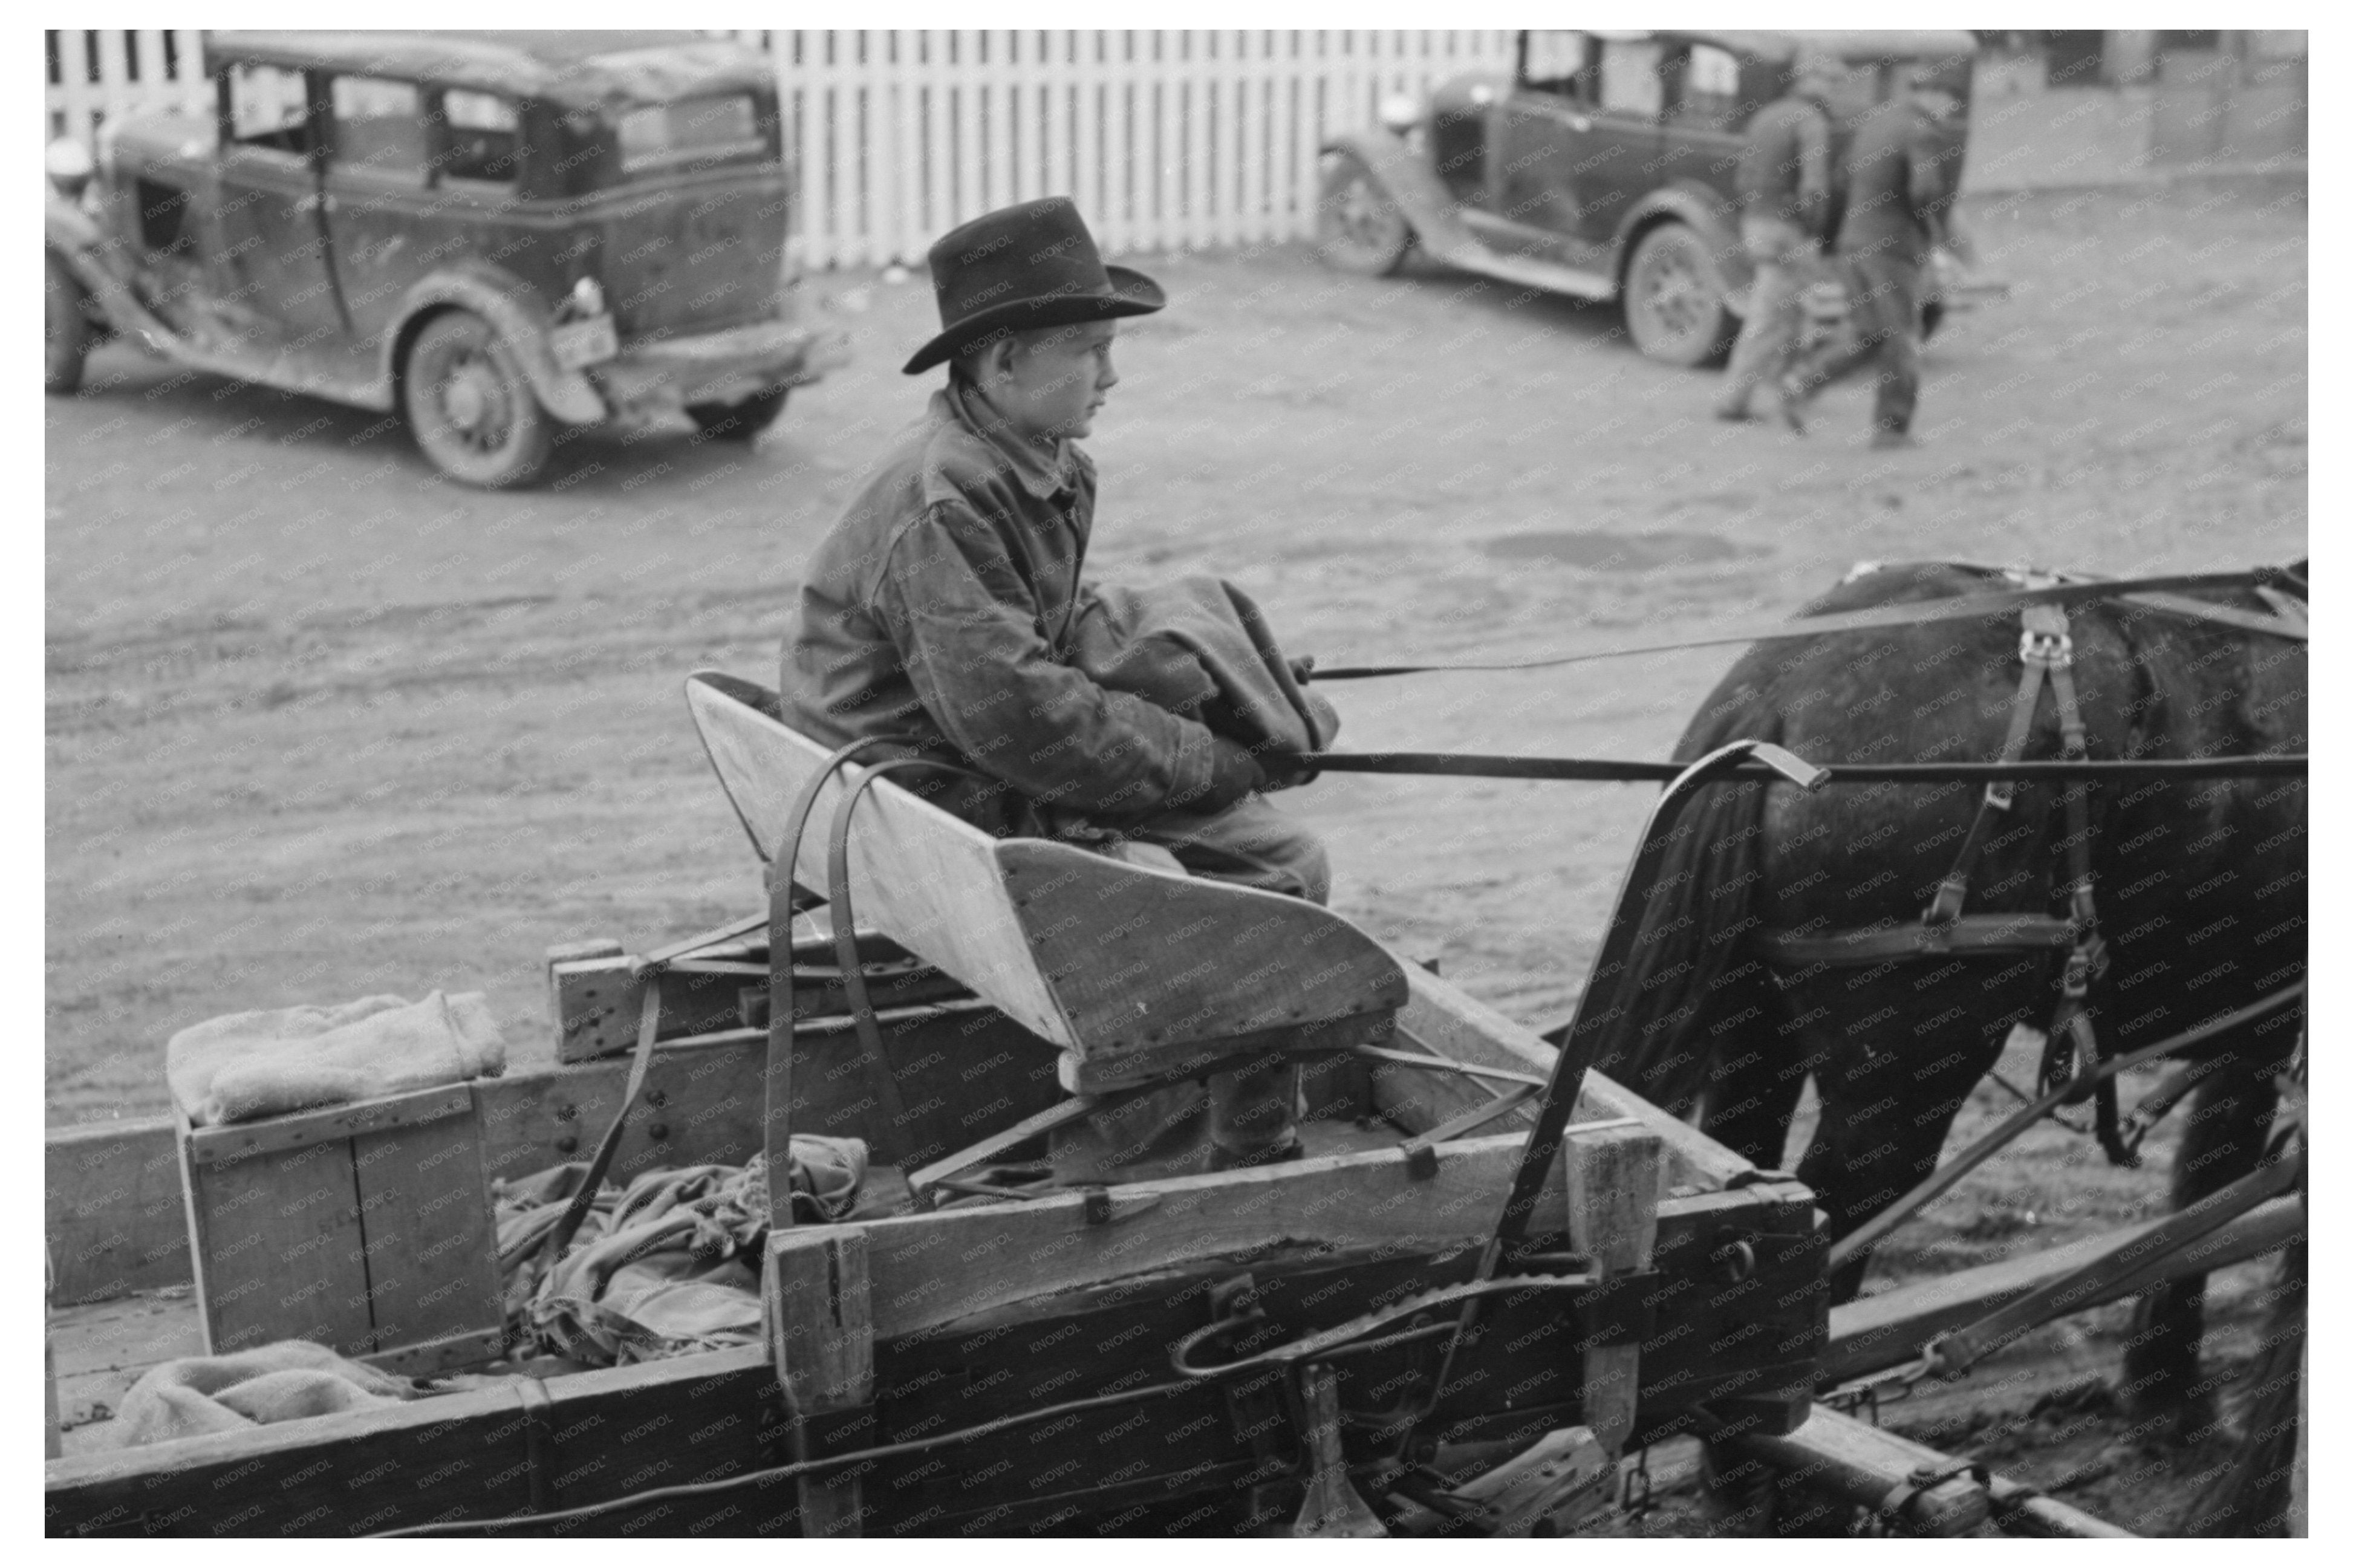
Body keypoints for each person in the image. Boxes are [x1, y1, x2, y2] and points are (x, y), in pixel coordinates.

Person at [778, 196, 1326, 1173]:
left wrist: (1225, 688)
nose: (1112, 376)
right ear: (1002, 363)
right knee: (1277, 878)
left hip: (952, 790)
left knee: (1274, 855)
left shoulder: (1026, 458)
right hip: (935, 815)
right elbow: (1029, 723)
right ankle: (1215, 1161)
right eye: (1090, 350)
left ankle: (1220, 1122)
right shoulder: (943, 502)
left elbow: (1051, 646)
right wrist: (1213, 761)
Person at [1782, 69, 1966, 448]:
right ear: (1933, 94)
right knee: (1902, 338)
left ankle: (1801, 384)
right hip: (1891, 251)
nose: (1951, 110)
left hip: (1855, 245)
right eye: (1951, 101)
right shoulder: (1921, 131)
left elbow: (1842, 178)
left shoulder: (1876, 123)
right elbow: (1925, 190)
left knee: (1869, 334)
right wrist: (1932, 230)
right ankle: (1891, 429)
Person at [1713, 47, 1842, 427]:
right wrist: (1815, 232)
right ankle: (1733, 401)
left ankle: (1788, 389)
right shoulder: (1811, 122)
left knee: (1791, 312)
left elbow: (1741, 177)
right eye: (1831, 80)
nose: (1836, 89)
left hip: (1755, 223)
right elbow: (1815, 188)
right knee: (1771, 318)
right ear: (1811, 81)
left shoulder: (1765, 116)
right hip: (1788, 230)